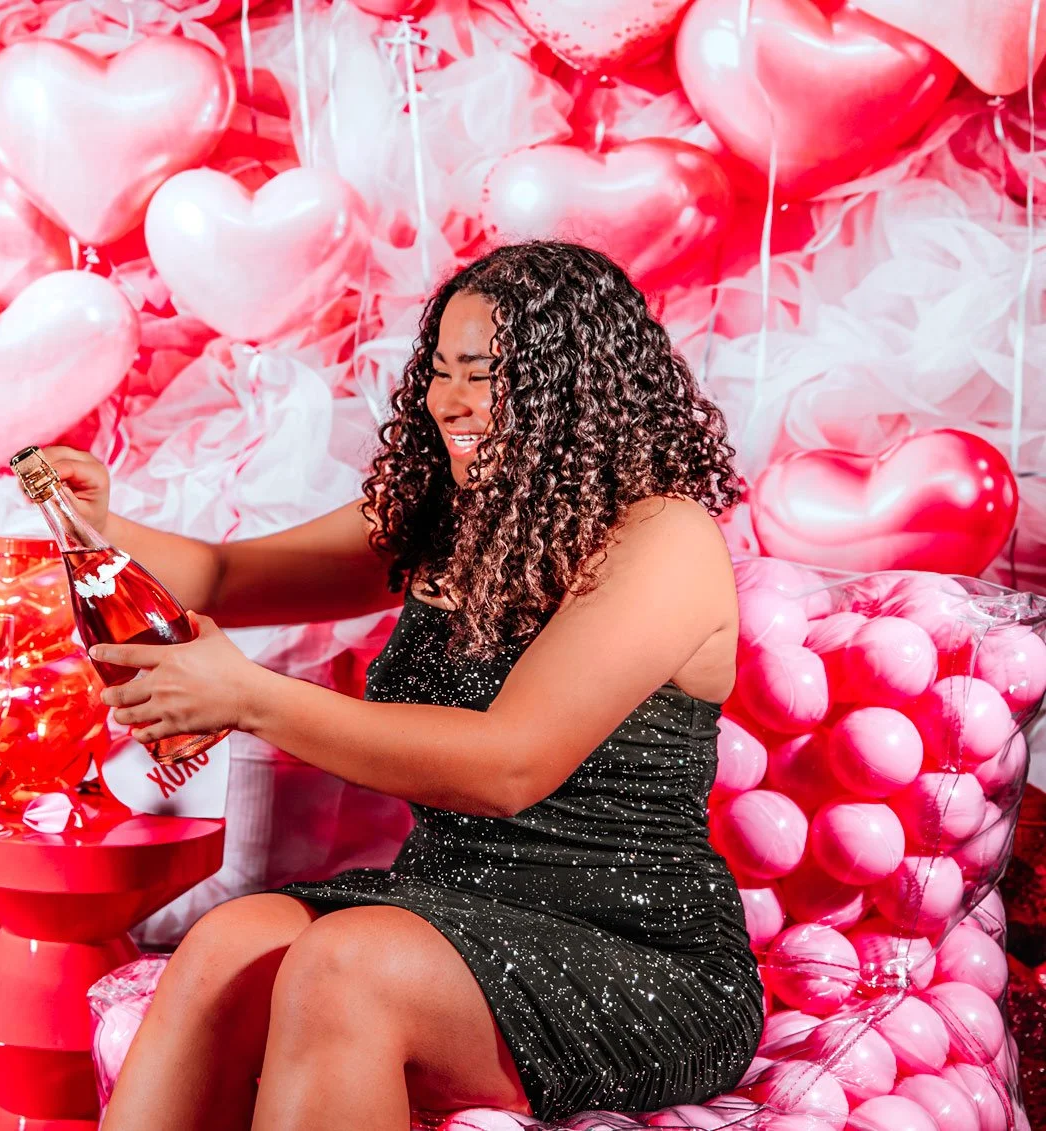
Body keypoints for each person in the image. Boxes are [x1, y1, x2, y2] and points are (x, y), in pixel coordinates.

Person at [43, 241, 764, 1131]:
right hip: (445, 903)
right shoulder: (444, 515)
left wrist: (249, 696)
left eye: (483, 375)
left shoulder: (664, 538)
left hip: (635, 951)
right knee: (230, 941)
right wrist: (93, 524)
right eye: (439, 371)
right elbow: (223, 578)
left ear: (568, 389)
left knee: (346, 964)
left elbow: (508, 765)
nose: (445, 400)